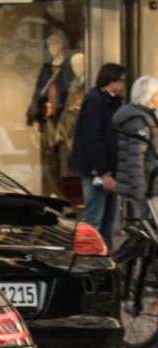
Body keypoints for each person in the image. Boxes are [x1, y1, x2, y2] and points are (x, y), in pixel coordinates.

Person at [70, 63, 127, 245]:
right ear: (112, 80)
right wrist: (104, 172)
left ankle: (105, 258)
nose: (124, 85)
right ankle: (87, 261)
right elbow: (93, 139)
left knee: (108, 218)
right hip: (98, 171)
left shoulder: (109, 101)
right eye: (122, 81)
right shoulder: (95, 101)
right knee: (94, 218)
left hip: (108, 169)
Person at [113, 75, 158, 214]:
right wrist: (139, 192)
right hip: (148, 187)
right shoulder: (139, 119)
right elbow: (135, 157)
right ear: (150, 95)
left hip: (150, 184)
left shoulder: (146, 116)